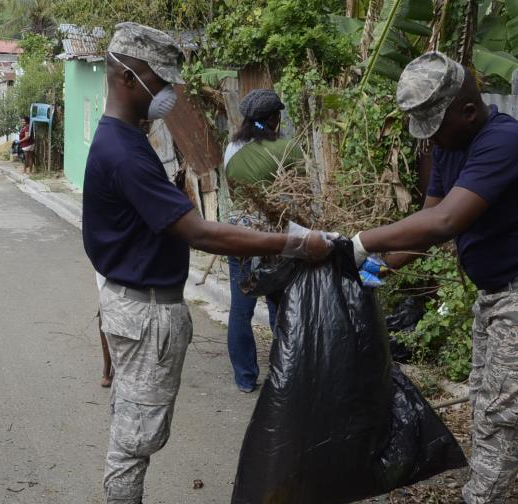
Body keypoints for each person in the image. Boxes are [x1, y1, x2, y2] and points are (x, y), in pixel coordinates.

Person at [82, 22, 334, 503]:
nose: (167, 95)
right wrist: (296, 243)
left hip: (133, 305)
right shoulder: (125, 152)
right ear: (127, 78)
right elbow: (198, 232)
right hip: (144, 311)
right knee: (133, 443)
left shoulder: (124, 141)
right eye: (160, 83)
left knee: (134, 431)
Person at [349, 52, 518, 503]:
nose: (433, 139)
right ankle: (485, 490)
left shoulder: (506, 142)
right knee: (485, 402)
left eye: (437, 127)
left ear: (468, 110)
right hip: (500, 292)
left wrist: (359, 241)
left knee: (500, 415)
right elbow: (430, 217)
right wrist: (380, 266)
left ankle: (481, 497)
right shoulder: (450, 145)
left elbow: (447, 222)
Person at [222, 89, 304, 393]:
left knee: (241, 310)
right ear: (274, 118)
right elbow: (301, 197)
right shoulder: (288, 148)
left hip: (239, 237)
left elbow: (233, 193)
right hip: (276, 240)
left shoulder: (231, 148)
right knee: (280, 306)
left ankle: (245, 378)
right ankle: (284, 372)